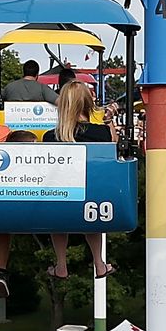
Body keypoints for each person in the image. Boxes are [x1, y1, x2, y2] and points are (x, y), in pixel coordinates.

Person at [35, 80, 116, 280]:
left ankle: (61, 263)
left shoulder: (50, 137)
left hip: (62, 200)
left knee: (57, 209)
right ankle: (98, 262)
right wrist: (109, 121)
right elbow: (113, 146)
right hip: (91, 200)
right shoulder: (101, 133)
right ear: (88, 104)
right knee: (92, 211)